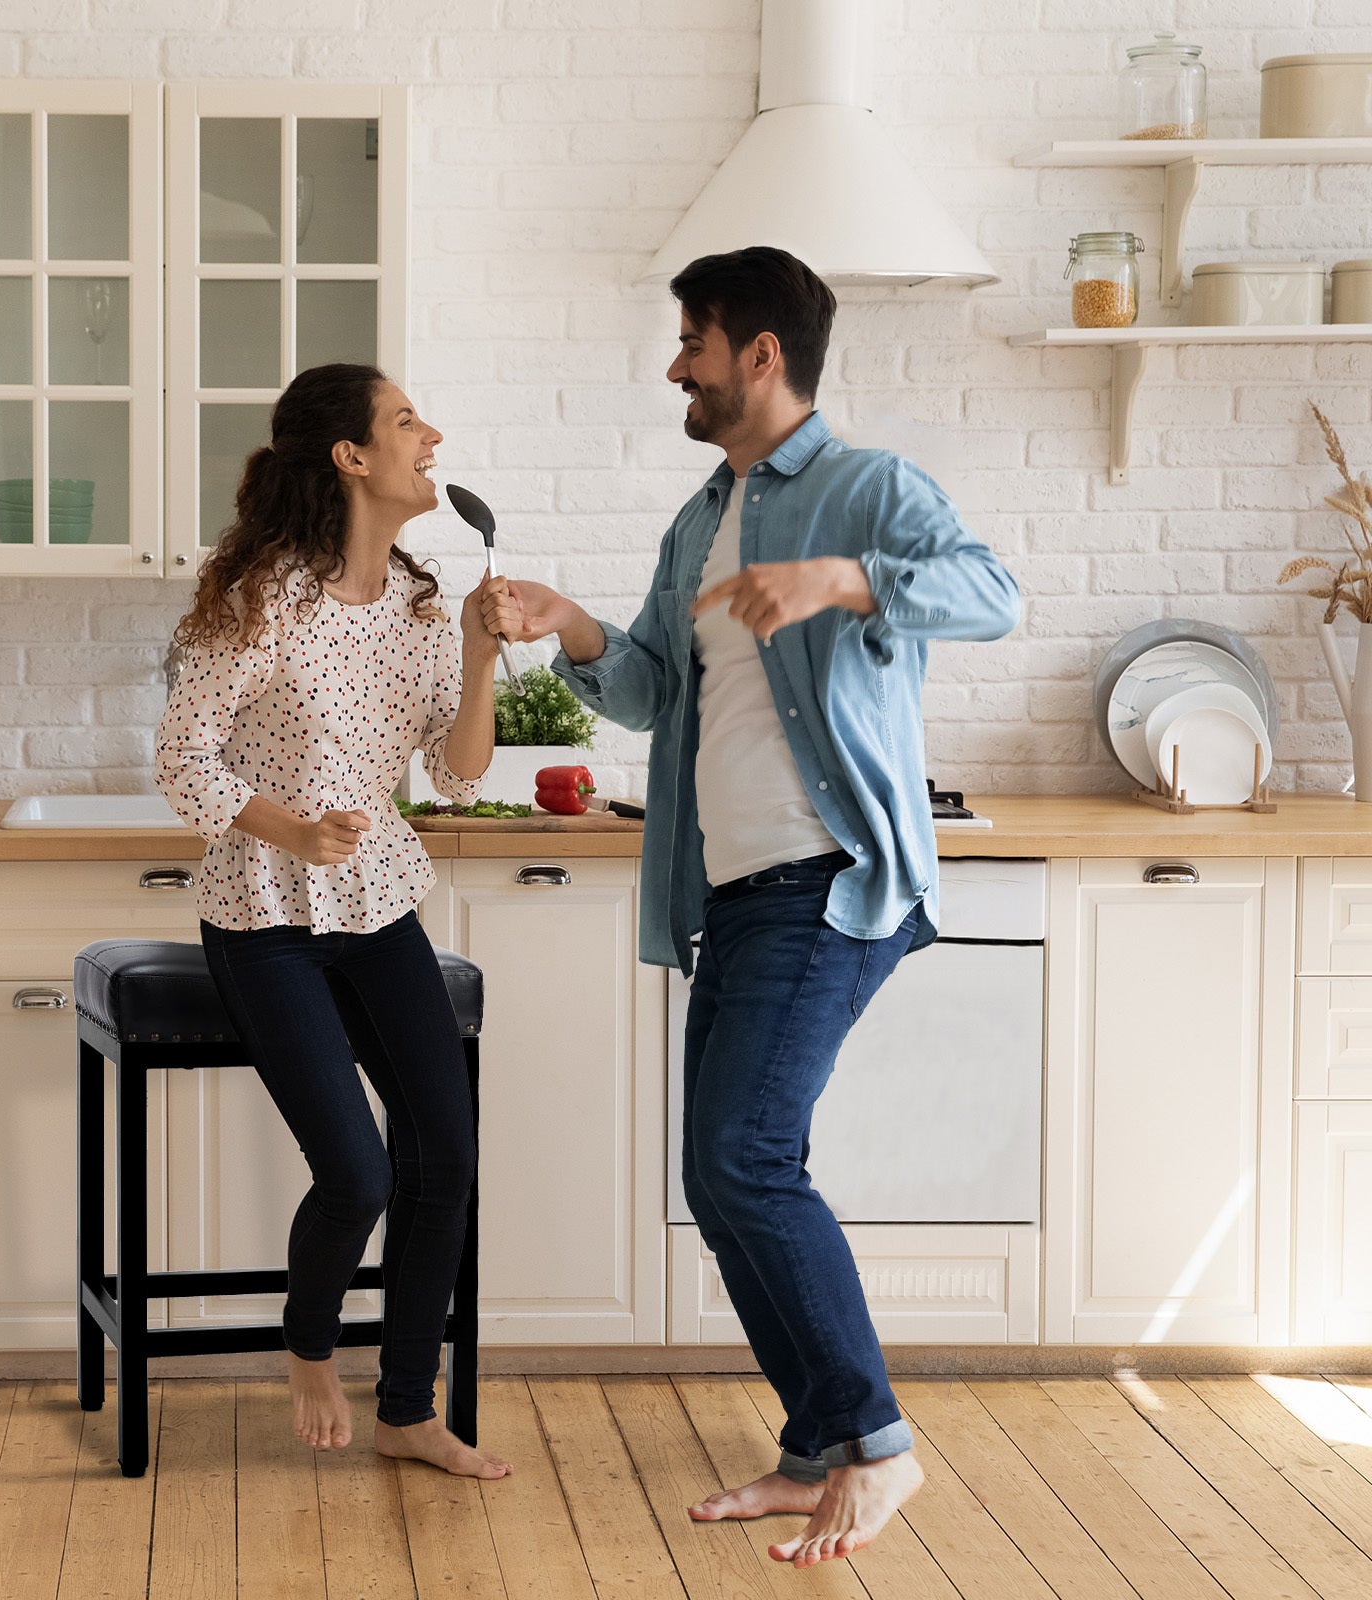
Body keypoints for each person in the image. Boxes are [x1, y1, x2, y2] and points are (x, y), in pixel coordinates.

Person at [491, 247, 1020, 1564]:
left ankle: (879, 1445)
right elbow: (656, 692)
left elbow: (995, 598)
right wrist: (572, 627)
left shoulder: (865, 487)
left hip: (826, 877)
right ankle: (810, 1450)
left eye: (694, 341)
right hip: (730, 888)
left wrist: (841, 579)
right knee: (717, 1175)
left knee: (745, 1160)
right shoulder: (702, 515)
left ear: (761, 354)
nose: (677, 364)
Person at [155, 362, 513, 1480]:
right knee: (357, 1171)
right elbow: (180, 759)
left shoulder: (417, 598)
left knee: (443, 1155)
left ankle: (410, 1409)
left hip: (378, 902)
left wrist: (476, 648)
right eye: (408, 418)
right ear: (351, 458)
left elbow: (455, 776)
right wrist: (288, 828)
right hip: (261, 912)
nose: (432, 431)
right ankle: (307, 1344)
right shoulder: (261, 595)